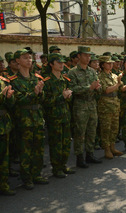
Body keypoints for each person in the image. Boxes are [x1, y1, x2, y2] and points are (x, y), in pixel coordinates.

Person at [11, 49, 48, 190]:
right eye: (25, 58)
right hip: (24, 119)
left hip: (37, 118)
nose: (29, 60)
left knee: (38, 148)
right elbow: (19, 100)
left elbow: (42, 99)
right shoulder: (14, 81)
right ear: (17, 61)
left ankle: (36, 174)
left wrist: (40, 92)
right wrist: (35, 93)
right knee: (25, 150)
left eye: (30, 57)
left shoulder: (36, 78)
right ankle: (26, 178)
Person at [68, 46, 102, 168]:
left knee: (92, 130)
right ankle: (79, 157)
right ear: (79, 56)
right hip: (80, 105)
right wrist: (89, 88)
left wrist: (98, 88)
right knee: (80, 132)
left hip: (92, 104)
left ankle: (90, 153)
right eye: (85, 55)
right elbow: (72, 89)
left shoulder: (92, 71)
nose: (88, 58)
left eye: (89, 56)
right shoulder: (72, 72)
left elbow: (98, 86)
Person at [43, 53, 75, 178]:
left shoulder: (65, 80)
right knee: (56, 143)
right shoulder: (46, 81)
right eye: (59, 62)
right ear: (51, 64)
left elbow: (68, 100)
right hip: (54, 117)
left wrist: (68, 97)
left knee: (66, 142)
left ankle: (63, 165)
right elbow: (45, 101)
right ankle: (56, 168)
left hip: (65, 115)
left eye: (63, 62)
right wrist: (61, 97)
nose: (62, 65)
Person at [97, 56, 123, 159]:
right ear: (102, 65)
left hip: (115, 105)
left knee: (114, 128)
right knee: (105, 129)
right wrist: (118, 84)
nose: (111, 65)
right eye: (108, 63)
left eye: (111, 63)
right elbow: (106, 90)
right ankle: (107, 149)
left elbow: (121, 88)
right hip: (105, 106)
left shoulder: (114, 76)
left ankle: (113, 147)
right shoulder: (99, 77)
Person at [0, 75, 16, 195]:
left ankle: (4, 185)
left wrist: (9, 98)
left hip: (3, 124)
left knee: (4, 157)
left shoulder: (3, 81)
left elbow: (11, 105)